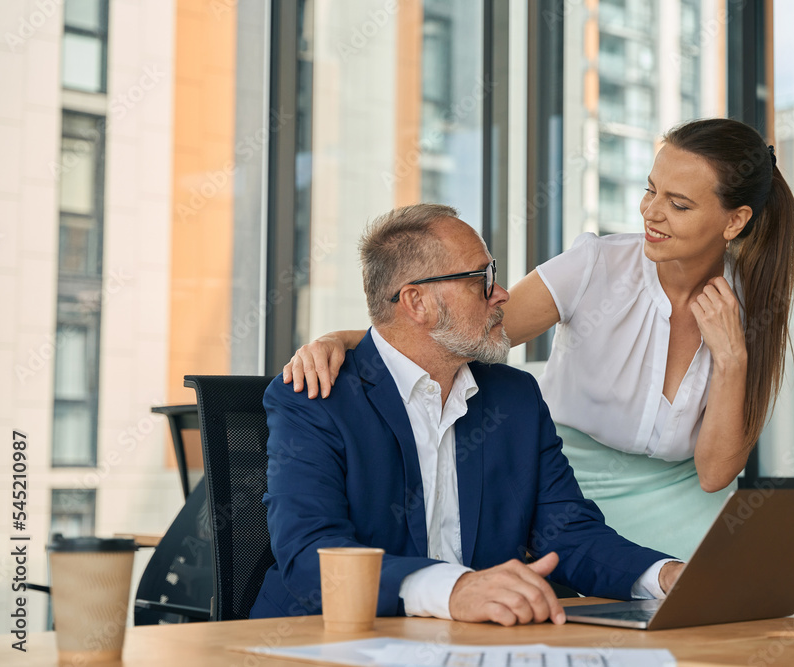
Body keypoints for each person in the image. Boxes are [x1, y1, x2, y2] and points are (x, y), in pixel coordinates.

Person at [283, 118, 794, 559]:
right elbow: (466, 329)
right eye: (651, 190)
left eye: (679, 204)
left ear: (735, 221)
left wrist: (732, 357)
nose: (651, 212)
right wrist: (343, 340)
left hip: (687, 511)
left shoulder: (751, 305)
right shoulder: (595, 266)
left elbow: (714, 474)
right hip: (567, 502)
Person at [251, 204, 685, 626]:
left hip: (472, 644)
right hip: (325, 641)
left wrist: (665, 576)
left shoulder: (515, 398)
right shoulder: (315, 399)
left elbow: (568, 533)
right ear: (417, 302)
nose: (502, 294)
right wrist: (454, 590)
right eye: (481, 280)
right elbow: (311, 554)